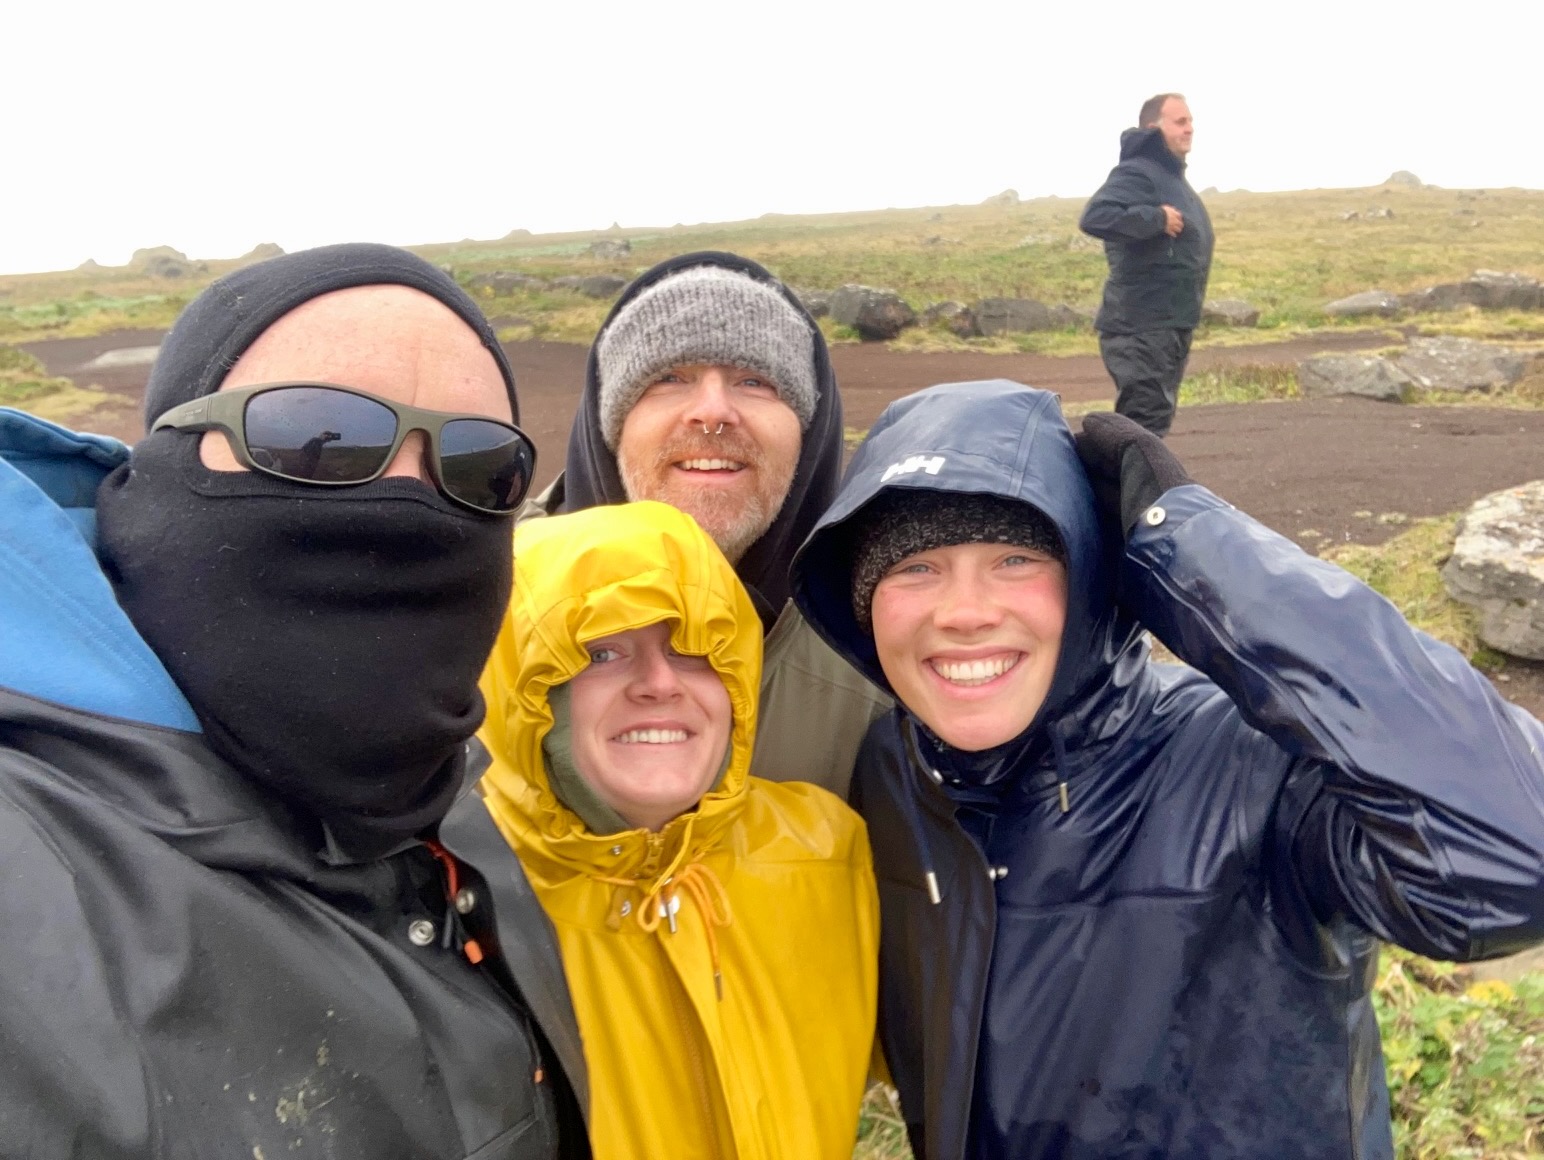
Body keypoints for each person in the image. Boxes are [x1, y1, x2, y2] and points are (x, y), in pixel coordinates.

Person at [791, 379, 1544, 1159]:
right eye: (915, 568)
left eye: (1015, 557)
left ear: (1094, 577)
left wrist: (1200, 547)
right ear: (860, 599)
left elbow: (1514, 866)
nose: (964, 610)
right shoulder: (893, 771)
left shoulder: (1249, 760)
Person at [0, 244, 589, 1158]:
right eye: (316, 435)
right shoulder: (31, 859)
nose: (408, 496)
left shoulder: (450, 797)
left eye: (480, 466)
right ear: (159, 468)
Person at [476, 499, 879, 1159]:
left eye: (693, 649)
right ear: (522, 687)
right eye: (602, 652)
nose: (660, 683)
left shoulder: (824, 852)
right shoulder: (451, 909)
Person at [521, 251, 890, 795]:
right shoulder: (485, 595)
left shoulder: (882, 626)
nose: (713, 411)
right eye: (669, 377)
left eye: (755, 381)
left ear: (808, 432)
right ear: (609, 425)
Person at [1079, 93, 1213, 437]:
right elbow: (1096, 216)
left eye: (1190, 121)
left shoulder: (1172, 179)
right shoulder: (1138, 173)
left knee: (1149, 426)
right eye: (1180, 121)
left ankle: (1133, 490)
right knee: (1142, 428)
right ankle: (1126, 491)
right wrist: (1154, 218)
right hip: (1140, 326)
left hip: (1168, 325)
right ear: (1154, 128)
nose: (1190, 129)